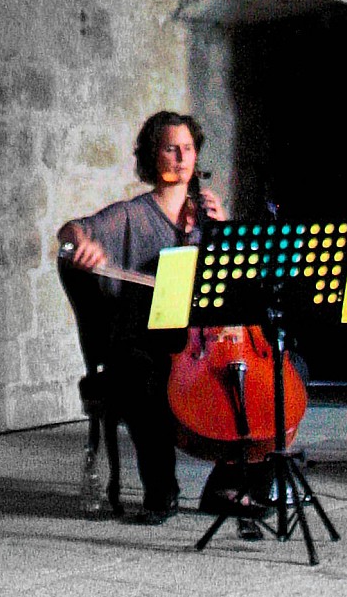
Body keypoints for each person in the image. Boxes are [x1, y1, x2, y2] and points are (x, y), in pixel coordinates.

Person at [57, 111, 223, 522]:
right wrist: (81, 244)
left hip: (201, 340)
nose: (182, 157)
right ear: (154, 157)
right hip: (148, 341)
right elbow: (71, 229)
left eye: (188, 148)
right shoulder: (132, 215)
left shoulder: (209, 214)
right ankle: (161, 490)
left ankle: (229, 486)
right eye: (171, 148)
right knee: (141, 374)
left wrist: (224, 233)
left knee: (279, 368)